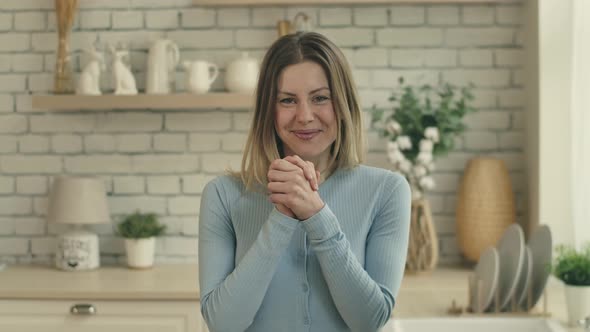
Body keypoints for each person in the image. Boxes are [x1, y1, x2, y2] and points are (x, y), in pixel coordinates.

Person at [198, 32, 411, 332]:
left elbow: (370, 320)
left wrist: (316, 215)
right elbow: (222, 324)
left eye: (320, 98)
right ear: (268, 112)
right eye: (287, 100)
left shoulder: (387, 191)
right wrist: (283, 216)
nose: (305, 116)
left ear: (343, 104)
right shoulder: (222, 195)